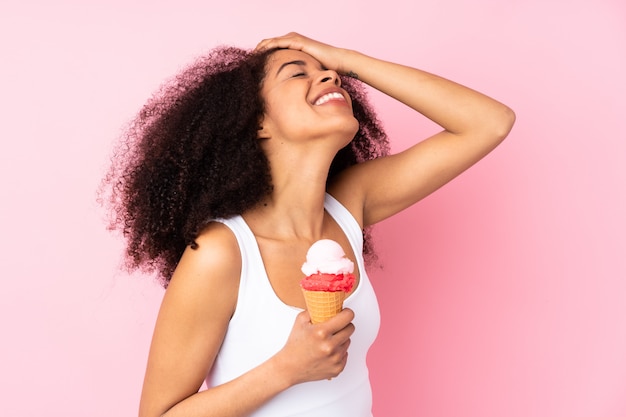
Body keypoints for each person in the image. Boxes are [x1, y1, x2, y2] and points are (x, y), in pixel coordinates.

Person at [101, 33, 515, 417]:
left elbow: (489, 121)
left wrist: (346, 60)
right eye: (298, 72)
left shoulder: (349, 205)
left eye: (328, 71)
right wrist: (286, 368)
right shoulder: (220, 253)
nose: (328, 75)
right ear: (257, 122)